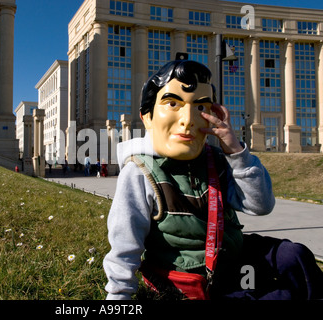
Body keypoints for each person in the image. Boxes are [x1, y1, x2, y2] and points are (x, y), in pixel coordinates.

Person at [103, 59, 323, 300]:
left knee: (295, 256)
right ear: (147, 116)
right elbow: (125, 244)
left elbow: (260, 205)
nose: (188, 120)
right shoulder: (140, 171)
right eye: (172, 104)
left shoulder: (218, 160)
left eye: (200, 107)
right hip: (192, 276)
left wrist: (236, 153)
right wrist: (119, 296)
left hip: (232, 256)